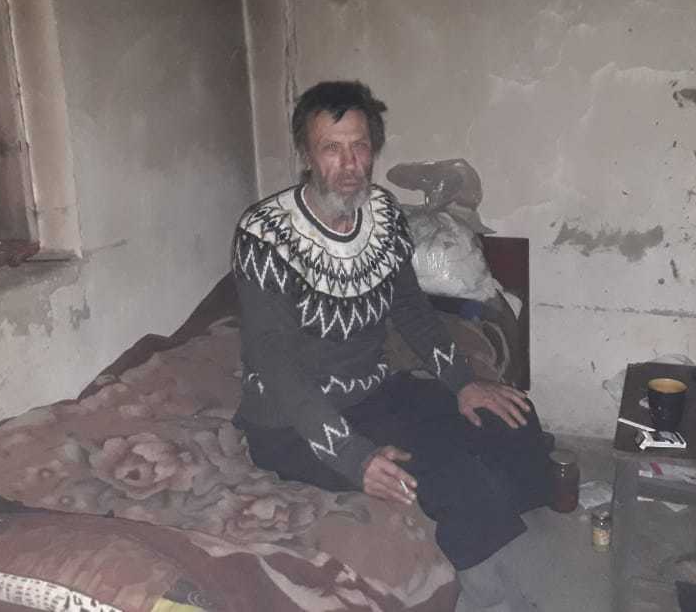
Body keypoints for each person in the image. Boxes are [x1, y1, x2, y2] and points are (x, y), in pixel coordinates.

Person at [231, 80, 552, 610]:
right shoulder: (264, 233)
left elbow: (410, 310)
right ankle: (497, 597)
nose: (348, 163)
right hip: (290, 423)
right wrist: (354, 457)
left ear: (374, 149)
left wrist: (463, 383)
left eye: (359, 146)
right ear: (306, 154)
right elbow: (275, 363)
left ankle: (510, 538)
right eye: (331, 148)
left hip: (373, 392)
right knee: (452, 475)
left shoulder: (382, 215)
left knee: (510, 417)